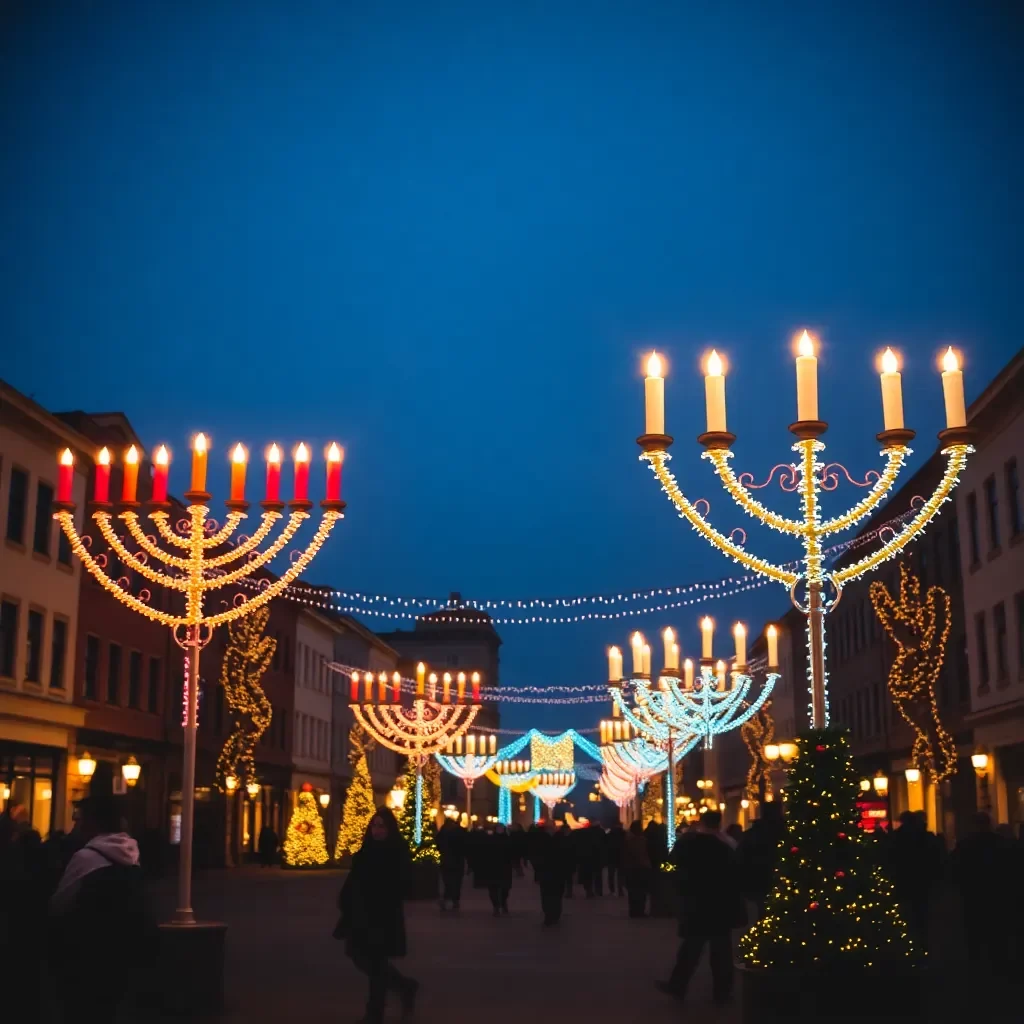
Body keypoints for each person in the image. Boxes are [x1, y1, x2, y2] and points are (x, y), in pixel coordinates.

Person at [49, 793, 152, 1021]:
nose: (76, 823)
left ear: (93, 822)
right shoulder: (131, 853)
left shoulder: (87, 858)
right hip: (124, 951)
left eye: (79, 818)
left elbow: (59, 903)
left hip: (88, 955)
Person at [337, 809, 418, 1024]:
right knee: (359, 957)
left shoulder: (397, 851)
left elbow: (405, 884)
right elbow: (353, 879)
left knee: (377, 964)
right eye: (374, 825)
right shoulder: (365, 850)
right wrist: (345, 901)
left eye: (382, 826)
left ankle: (375, 1013)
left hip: (383, 917)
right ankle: (404, 986)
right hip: (361, 915)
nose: (377, 830)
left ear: (390, 829)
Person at [658, 809, 744, 1006]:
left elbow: (670, 866)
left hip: (696, 904)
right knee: (721, 951)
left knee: (691, 948)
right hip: (721, 906)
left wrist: (674, 881)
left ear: (701, 823)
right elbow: (737, 874)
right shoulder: (728, 845)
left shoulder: (687, 843)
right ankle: (722, 992)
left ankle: (678, 985)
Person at [951, 812, 1015, 977]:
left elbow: (955, 870)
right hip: (996, 894)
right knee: (997, 931)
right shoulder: (1000, 843)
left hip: (973, 894)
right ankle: (999, 964)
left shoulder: (965, 845)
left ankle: (977, 965)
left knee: (975, 931)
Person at [885, 810, 942, 949]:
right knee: (922, 914)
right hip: (922, 882)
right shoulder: (925, 837)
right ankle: (922, 944)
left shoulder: (896, 838)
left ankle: (908, 944)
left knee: (907, 914)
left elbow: (890, 859)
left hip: (904, 881)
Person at [739, 800, 784, 917]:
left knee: (763, 910)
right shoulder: (783, 832)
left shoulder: (752, 834)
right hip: (775, 877)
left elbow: (741, 857)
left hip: (757, 879)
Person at [481, 823, 515, 915]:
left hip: (505, 867)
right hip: (493, 867)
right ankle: (496, 906)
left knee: (505, 888)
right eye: (498, 828)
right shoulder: (490, 840)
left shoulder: (508, 839)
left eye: (501, 828)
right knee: (493, 888)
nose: (500, 830)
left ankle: (503, 902)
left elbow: (512, 852)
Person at [622, 820, 652, 918]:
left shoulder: (627, 840)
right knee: (641, 892)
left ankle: (633, 911)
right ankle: (639, 911)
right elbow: (643, 855)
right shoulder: (642, 840)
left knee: (633, 892)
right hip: (641, 869)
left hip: (631, 869)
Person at [437, 816, 467, 911]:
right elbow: (465, 845)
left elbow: (438, 845)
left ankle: (446, 899)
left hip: (446, 860)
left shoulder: (442, 832)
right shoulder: (460, 832)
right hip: (458, 860)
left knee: (448, 882)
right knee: (457, 882)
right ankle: (455, 900)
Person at [606, 821, 625, 896]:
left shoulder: (610, 833)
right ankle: (620, 890)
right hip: (621, 856)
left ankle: (612, 890)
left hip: (611, 856)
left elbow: (606, 845)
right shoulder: (624, 833)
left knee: (611, 875)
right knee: (620, 875)